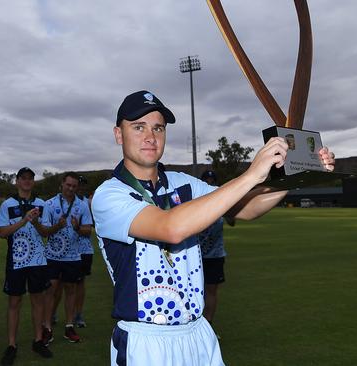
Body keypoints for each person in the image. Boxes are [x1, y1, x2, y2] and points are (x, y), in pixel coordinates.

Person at [91, 90, 335, 365]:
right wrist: (252, 173)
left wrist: (301, 174)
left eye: (158, 127)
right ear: (118, 135)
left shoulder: (183, 183)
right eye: (138, 127)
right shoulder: (109, 195)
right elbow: (171, 227)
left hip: (197, 331)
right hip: (146, 341)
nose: (150, 136)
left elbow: (245, 207)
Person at [0, 167, 53, 365]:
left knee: (38, 301)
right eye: (23, 178)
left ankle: (38, 340)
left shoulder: (41, 204)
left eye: (30, 179)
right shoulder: (8, 204)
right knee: (14, 303)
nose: (27, 182)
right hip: (16, 261)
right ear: (17, 181)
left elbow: (45, 233)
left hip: (37, 260)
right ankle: (12, 344)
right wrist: (24, 220)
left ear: (33, 182)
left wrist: (35, 222)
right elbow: (2, 233)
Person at [42, 172, 92, 344]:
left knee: (71, 290)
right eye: (68, 185)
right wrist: (58, 225)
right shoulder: (49, 204)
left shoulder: (82, 205)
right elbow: (45, 231)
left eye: (74, 186)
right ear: (62, 184)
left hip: (73, 256)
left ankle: (69, 326)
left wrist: (78, 228)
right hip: (52, 255)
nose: (71, 188)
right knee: (51, 290)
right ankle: (47, 327)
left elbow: (88, 230)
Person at [197, 170, 233, 336]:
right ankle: (195, 329)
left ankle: (208, 329)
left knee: (210, 293)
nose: (210, 183)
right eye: (207, 180)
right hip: (194, 256)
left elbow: (232, 221)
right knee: (196, 293)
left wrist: (228, 209)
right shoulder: (195, 200)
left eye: (212, 180)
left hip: (215, 256)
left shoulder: (221, 201)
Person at [73, 176, 93, 328]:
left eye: (83, 185)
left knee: (80, 283)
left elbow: (89, 230)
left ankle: (78, 314)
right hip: (65, 249)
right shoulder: (58, 202)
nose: (81, 188)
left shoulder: (87, 203)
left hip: (84, 249)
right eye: (79, 185)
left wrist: (78, 227)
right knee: (58, 284)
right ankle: (52, 314)